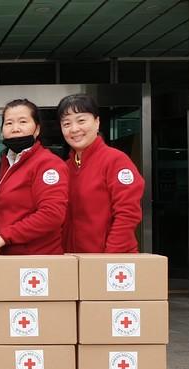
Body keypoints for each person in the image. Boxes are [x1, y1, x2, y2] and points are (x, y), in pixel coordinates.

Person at [58, 94, 145, 253]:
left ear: (97, 122)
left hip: (111, 259)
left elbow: (128, 214)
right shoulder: (64, 168)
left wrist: (108, 258)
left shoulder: (115, 161)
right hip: (73, 259)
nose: (74, 129)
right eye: (67, 123)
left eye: (81, 120)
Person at [0, 99, 69, 255]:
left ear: (37, 129)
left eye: (23, 122)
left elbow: (52, 214)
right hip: (5, 257)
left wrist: (5, 236)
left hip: (35, 260)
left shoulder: (48, 164)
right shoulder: (4, 164)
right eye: (9, 123)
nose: (15, 129)